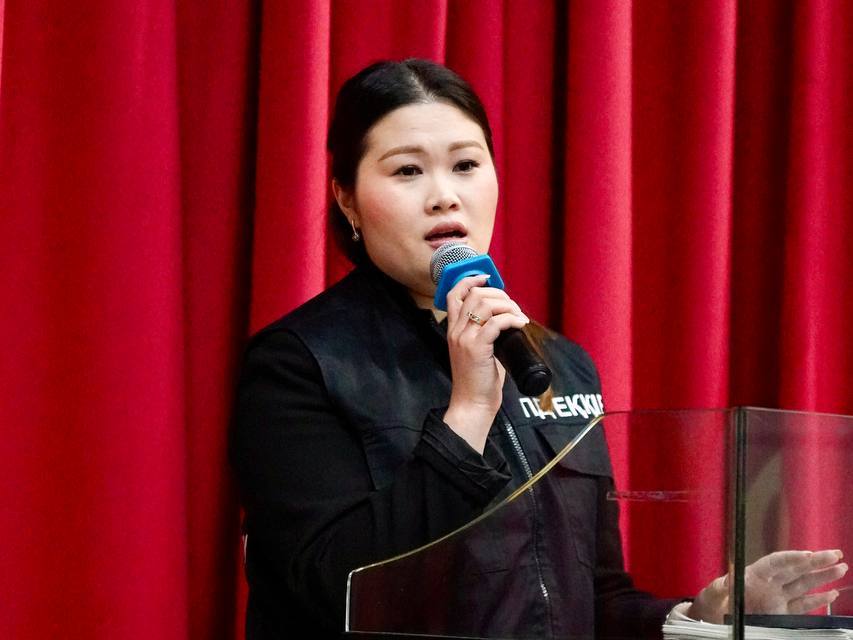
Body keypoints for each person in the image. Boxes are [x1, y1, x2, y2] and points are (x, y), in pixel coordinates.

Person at [230, 59, 847, 639]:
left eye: (466, 165)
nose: (444, 195)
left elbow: (590, 600)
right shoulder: (300, 364)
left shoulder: (558, 364)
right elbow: (326, 586)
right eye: (407, 171)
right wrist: (467, 416)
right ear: (346, 198)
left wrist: (701, 614)